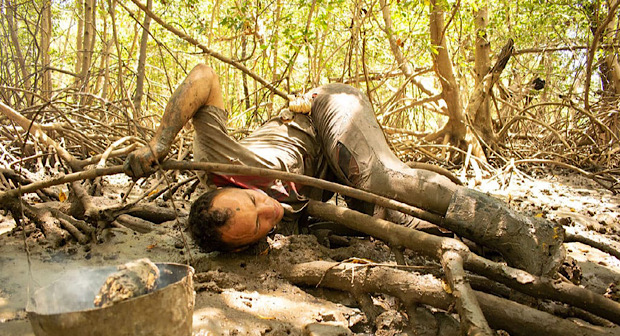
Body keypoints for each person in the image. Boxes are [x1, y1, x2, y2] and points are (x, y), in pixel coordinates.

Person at [124, 64, 565, 276]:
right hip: (333, 171)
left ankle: (524, 232)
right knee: (393, 219)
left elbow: (205, 77)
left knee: (382, 181)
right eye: (259, 226)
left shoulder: (215, 158)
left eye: (256, 202)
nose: (269, 211)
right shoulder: (263, 227)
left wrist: (160, 143)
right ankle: (480, 238)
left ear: (228, 187)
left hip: (326, 112)